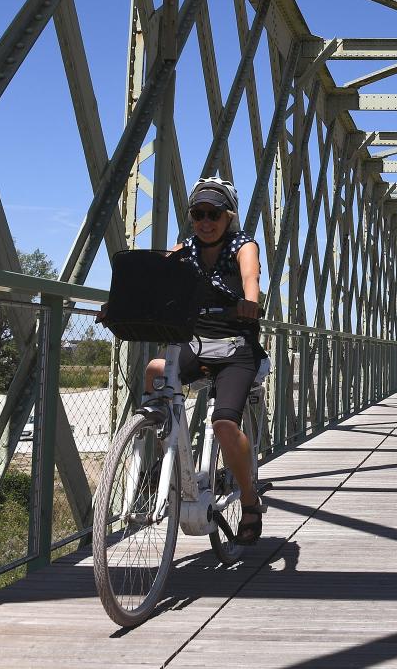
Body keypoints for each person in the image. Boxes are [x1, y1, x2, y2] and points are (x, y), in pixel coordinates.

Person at [142, 176, 269, 544]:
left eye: (213, 213)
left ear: (229, 216)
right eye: (198, 213)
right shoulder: (185, 248)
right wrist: (122, 301)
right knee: (154, 372)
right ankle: (164, 448)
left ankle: (248, 500)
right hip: (196, 342)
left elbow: (251, 275)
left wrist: (250, 299)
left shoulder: (243, 245)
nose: (205, 221)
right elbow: (155, 280)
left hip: (236, 347)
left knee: (225, 424)